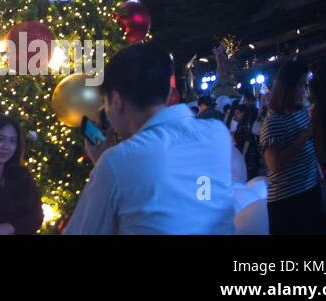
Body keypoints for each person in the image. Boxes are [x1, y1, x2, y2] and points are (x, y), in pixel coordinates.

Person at [65, 43, 235, 234]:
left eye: (104, 103)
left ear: (117, 101)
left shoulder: (116, 161)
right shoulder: (217, 133)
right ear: (169, 94)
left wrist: (102, 164)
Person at [259, 59, 322, 235]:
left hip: (310, 190)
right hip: (287, 200)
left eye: (305, 84)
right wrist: (307, 134)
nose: (304, 90)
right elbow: (275, 164)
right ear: (287, 87)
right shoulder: (273, 122)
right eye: (301, 85)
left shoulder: (301, 111)